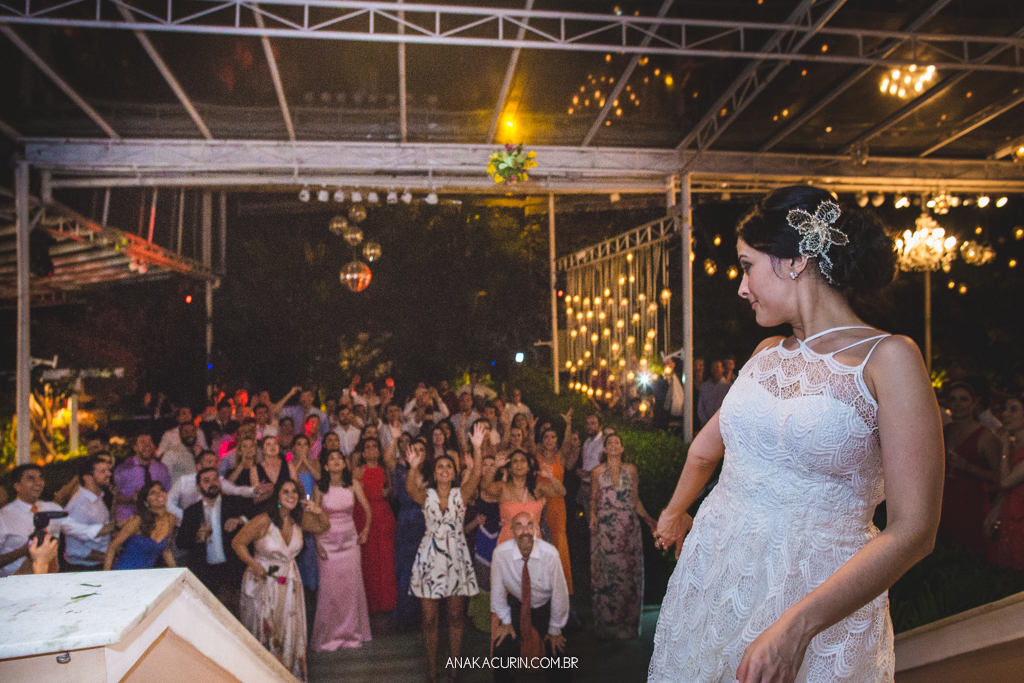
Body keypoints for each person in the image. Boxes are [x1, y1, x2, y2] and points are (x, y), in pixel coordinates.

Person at [648, 186, 943, 683]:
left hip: (818, 601)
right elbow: (707, 448)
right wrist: (677, 510)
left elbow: (915, 532)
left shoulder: (890, 359)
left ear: (795, 261)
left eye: (746, 265)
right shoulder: (765, 355)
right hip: (713, 581)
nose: (742, 287)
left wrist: (796, 628)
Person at [406, 423, 485, 683]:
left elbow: (476, 476)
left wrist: (477, 446)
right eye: (440, 466)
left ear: (454, 472)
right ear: (435, 471)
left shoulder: (460, 494)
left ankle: (453, 670)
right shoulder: (425, 494)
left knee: (455, 616)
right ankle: (431, 671)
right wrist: (413, 465)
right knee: (429, 620)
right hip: (430, 557)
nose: (443, 469)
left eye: (448, 466)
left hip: (456, 556)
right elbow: (409, 489)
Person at [232, 479, 329, 681]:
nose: (291, 495)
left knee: (288, 631)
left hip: (289, 581)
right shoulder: (263, 520)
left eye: (294, 492)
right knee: (265, 631)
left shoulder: (298, 521)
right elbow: (238, 542)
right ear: (277, 496)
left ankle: (287, 675)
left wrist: (317, 510)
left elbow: (323, 526)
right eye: (286, 492)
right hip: (263, 581)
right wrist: (252, 563)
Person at [490, 511, 571, 683]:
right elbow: (497, 590)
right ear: (512, 531)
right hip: (518, 604)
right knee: (501, 649)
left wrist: (555, 629)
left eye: (529, 526)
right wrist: (505, 621)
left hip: (546, 606)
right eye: (519, 526)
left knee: (559, 653)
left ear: (535, 529)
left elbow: (560, 594)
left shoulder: (550, 555)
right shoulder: (500, 554)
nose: (525, 531)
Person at [589, 431, 655, 639]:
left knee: (628, 574)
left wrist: (649, 520)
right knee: (607, 574)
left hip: (628, 529)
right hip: (606, 529)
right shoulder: (597, 472)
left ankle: (628, 625)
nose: (614, 445)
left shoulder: (631, 470)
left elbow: (636, 500)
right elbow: (593, 500)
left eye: (618, 442)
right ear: (605, 449)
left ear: (622, 448)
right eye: (610, 443)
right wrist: (592, 518)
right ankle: (607, 626)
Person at [0, 464, 112, 576]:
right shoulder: (4, 516)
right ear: (17, 486)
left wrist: (115, 527)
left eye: (40, 478)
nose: (38, 483)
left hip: (52, 578)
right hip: (16, 581)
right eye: (31, 478)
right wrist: (22, 551)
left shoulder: (53, 508)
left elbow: (81, 530)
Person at [311, 449, 373, 650]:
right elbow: (313, 517)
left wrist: (365, 530)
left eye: (339, 458)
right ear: (326, 466)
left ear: (344, 464)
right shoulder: (320, 488)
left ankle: (352, 633)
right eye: (332, 458)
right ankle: (329, 635)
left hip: (349, 541)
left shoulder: (353, 484)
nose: (336, 461)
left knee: (351, 588)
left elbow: (367, 509)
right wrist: (317, 542)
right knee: (329, 590)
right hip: (327, 540)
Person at [177, 467, 252, 611]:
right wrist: (196, 537)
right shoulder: (191, 512)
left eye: (215, 479)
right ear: (198, 487)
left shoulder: (234, 503)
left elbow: (255, 518)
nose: (212, 483)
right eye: (206, 481)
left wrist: (240, 520)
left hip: (232, 570)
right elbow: (181, 542)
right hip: (206, 574)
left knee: (236, 617)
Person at [938, 381, 1000, 556]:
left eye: (964, 399)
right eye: (953, 399)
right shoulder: (945, 430)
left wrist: (968, 467)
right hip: (945, 503)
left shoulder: (986, 436)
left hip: (972, 505)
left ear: (974, 403)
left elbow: (1000, 477)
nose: (958, 404)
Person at [535, 413, 579, 595]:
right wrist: (531, 429)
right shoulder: (536, 458)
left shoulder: (560, 456)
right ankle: (543, 586)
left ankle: (561, 587)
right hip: (541, 503)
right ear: (542, 439)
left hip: (558, 504)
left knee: (559, 540)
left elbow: (568, 444)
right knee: (542, 540)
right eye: (547, 436)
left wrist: (568, 423)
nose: (550, 439)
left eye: (553, 437)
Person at [353, 437, 398, 613]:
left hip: (384, 514)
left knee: (385, 558)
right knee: (368, 559)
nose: (371, 449)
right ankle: (369, 603)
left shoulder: (385, 469)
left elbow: (394, 490)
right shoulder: (358, 471)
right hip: (364, 515)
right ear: (363, 453)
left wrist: (389, 492)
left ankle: (387, 602)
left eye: (374, 446)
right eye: (368, 447)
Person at [167, 450, 264, 522]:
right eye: (209, 462)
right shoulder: (184, 481)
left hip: (213, 524)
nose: (213, 465)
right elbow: (169, 503)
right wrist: (186, 516)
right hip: (187, 526)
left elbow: (236, 490)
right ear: (199, 467)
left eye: (215, 462)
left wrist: (254, 490)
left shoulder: (218, 481)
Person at [392, 434, 427, 631]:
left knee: (425, 568)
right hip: (407, 522)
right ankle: (406, 616)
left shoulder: (434, 474)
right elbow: (406, 496)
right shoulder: (401, 472)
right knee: (407, 569)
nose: (419, 454)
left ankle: (425, 614)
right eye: (415, 450)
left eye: (422, 450)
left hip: (427, 523)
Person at [105, 481, 178, 570]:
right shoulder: (138, 520)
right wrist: (106, 575)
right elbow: (113, 546)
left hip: (145, 576)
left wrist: (178, 572)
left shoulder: (171, 519)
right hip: (124, 572)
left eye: (161, 490)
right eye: (153, 492)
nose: (159, 494)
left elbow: (166, 550)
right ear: (146, 500)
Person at [64, 456, 114, 572]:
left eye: (108, 470)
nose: (109, 474)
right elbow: (74, 551)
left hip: (97, 566)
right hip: (83, 570)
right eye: (102, 471)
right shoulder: (80, 504)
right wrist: (110, 558)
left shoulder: (98, 499)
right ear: (88, 478)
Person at [991, 395, 1024, 570]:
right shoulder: (1014, 446)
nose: (1005, 414)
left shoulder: (1009, 447)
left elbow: (1006, 482)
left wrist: (1004, 446)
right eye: (1005, 409)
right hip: (1010, 514)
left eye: (1013, 409)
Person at [113, 433, 171, 523]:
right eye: (143, 442)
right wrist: (131, 499)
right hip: (129, 521)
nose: (147, 445)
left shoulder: (162, 469)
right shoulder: (123, 469)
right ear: (135, 447)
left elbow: (168, 493)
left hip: (156, 522)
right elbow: (115, 497)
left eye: (150, 442)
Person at [696, 359, 731, 428]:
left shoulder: (728, 387)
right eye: (713, 367)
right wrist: (705, 421)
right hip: (706, 424)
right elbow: (700, 406)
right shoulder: (705, 386)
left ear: (723, 369)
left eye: (717, 367)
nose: (715, 369)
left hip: (723, 425)